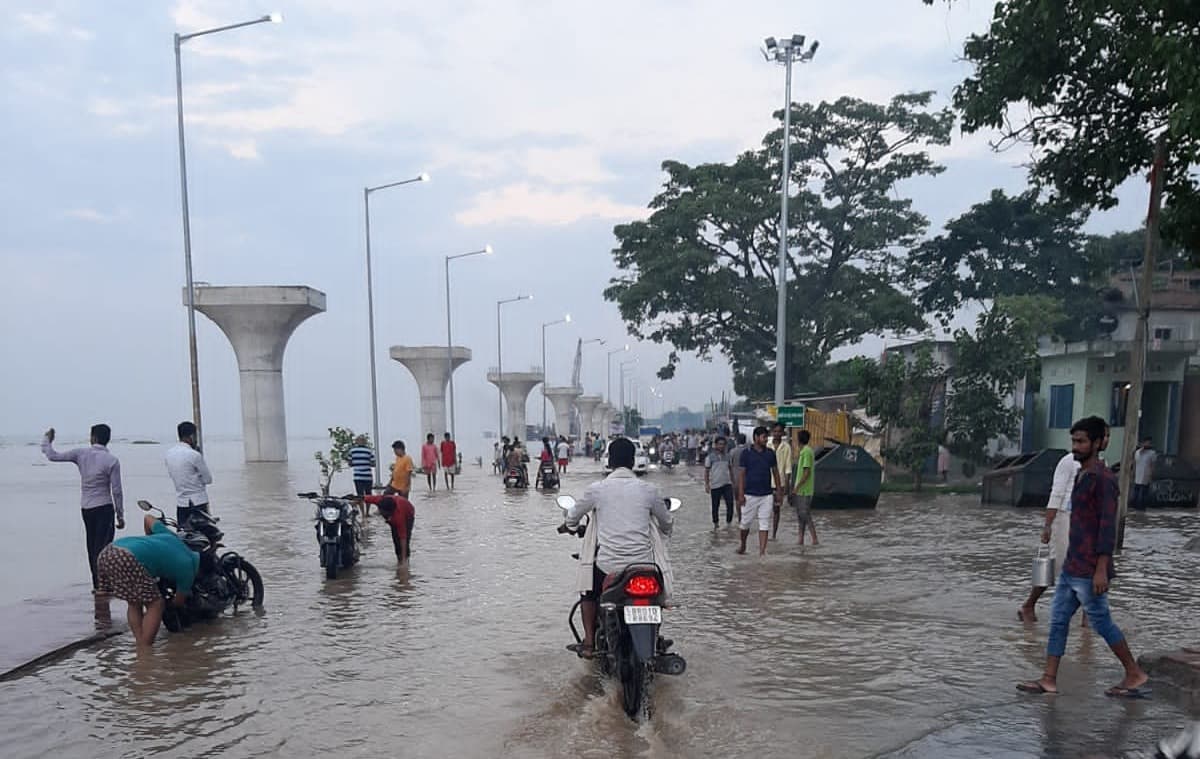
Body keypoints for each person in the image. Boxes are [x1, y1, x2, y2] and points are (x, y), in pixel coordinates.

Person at [1018, 415, 1149, 698]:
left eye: (1081, 442)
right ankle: (1049, 678)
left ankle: (1134, 673)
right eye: (1074, 441)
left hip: (1089, 569)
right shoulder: (1081, 475)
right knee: (1058, 620)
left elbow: (1106, 527)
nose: (1075, 447)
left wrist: (1102, 568)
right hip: (1073, 566)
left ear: (1097, 444)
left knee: (1101, 623)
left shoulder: (1104, 480)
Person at [562, 437, 673, 658]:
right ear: (632, 461)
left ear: (610, 461)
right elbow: (667, 523)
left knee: (588, 592)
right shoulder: (649, 490)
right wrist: (665, 530)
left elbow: (573, 515)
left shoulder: (597, 489)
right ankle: (655, 637)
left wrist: (570, 525)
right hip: (644, 565)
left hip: (607, 566)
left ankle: (589, 642)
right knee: (656, 597)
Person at [42, 425, 125, 592]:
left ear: (93, 437)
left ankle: (97, 584)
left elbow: (53, 456)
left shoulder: (80, 454)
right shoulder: (112, 460)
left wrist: (46, 440)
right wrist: (120, 514)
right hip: (104, 507)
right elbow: (116, 490)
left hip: (87, 507)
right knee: (104, 547)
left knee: (92, 546)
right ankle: (105, 584)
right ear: (107, 439)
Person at [97, 512, 198, 647]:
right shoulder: (188, 567)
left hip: (107, 553)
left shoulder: (171, 536)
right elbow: (178, 602)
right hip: (127, 558)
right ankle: (145, 648)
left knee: (134, 602)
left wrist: (149, 542)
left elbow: (148, 517)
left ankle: (140, 643)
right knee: (156, 604)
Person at [1018, 450, 1080, 622]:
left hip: (1086, 520)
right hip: (1065, 516)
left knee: (1088, 568)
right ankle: (1029, 604)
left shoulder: (1100, 465)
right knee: (1055, 566)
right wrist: (1048, 525)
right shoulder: (1068, 462)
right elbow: (1056, 494)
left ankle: (1087, 620)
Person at [737, 426, 783, 556]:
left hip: (766, 495)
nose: (766, 439)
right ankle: (743, 545)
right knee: (745, 523)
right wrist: (741, 494)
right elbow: (741, 474)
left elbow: (776, 473)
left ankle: (762, 552)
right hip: (749, 494)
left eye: (766, 437)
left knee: (764, 523)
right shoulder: (746, 453)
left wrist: (779, 492)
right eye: (764, 437)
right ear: (756, 438)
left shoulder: (770, 453)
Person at [165, 420, 213, 527]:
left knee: (184, 535)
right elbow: (208, 479)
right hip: (198, 502)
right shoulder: (194, 455)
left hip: (181, 503)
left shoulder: (169, 454)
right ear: (191, 436)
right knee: (205, 537)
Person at [364, 494, 415, 564]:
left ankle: (405, 561)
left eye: (384, 513)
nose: (381, 514)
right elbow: (364, 498)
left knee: (404, 541)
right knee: (395, 539)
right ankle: (399, 559)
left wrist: (403, 560)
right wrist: (353, 500)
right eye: (381, 512)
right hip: (396, 508)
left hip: (408, 514)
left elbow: (403, 538)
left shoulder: (399, 517)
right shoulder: (380, 500)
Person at [791, 430, 819, 545]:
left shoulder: (806, 452)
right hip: (802, 490)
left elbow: (806, 472)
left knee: (805, 515)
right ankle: (800, 539)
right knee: (801, 516)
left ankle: (814, 539)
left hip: (804, 490)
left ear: (799, 440)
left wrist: (797, 487)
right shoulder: (805, 451)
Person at [768, 423, 794, 540]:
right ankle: (765, 532)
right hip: (766, 482)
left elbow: (788, 468)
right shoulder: (767, 445)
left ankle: (774, 534)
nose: (777, 434)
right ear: (772, 432)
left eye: (779, 431)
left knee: (777, 510)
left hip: (780, 484)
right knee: (765, 509)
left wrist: (787, 487)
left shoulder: (786, 447)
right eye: (775, 431)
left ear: (783, 433)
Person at [704, 435, 734, 527]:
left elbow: (731, 469)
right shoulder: (710, 457)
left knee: (730, 504)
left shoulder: (728, 457)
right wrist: (707, 484)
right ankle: (716, 524)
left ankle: (729, 523)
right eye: (719, 444)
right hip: (715, 485)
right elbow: (706, 471)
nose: (721, 446)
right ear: (715, 445)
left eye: (723, 444)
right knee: (715, 506)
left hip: (727, 484)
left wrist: (733, 482)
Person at [345, 435, 376, 515]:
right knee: (368, 495)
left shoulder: (352, 451)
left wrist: (356, 463)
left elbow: (350, 463)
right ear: (365, 442)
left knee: (360, 495)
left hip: (358, 476)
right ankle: (367, 512)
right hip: (368, 476)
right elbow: (373, 463)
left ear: (356, 442)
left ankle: (362, 513)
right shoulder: (369, 451)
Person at [1133, 436, 1156, 510]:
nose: (1147, 444)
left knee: (1144, 494)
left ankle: (1142, 508)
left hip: (1146, 477)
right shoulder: (1138, 452)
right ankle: (1135, 508)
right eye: (1146, 442)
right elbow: (1135, 463)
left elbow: (1152, 465)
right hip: (1137, 476)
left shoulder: (1152, 453)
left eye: (1149, 442)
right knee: (1136, 493)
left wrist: (1151, 475)